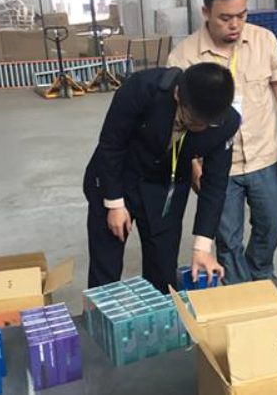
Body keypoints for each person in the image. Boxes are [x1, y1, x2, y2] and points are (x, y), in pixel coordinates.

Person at [168, 0, 277, 284]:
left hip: (262, 155)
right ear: (206, 12)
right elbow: (178, 119)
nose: (235, 25)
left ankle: (259, 273)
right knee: (227, 238)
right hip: (218, 167)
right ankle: (241, 289)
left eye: (241, 15)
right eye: (225, 18)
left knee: (271, 225)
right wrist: (193, 163)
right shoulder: (184, 56)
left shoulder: (264, 40)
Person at [84, 63, 240, 293]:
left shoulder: (226, 123)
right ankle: (100, 313)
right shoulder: (142, 88)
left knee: (163, 274)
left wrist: (202, 248)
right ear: (177, 94)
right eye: (191, 120)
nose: (198, 129)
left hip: (166, 188)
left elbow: (215, 185)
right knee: (105, 271)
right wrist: (114, 203)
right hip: (118, 176)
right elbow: (111, 145)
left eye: (205, 124)